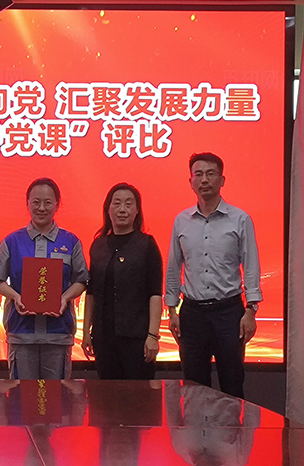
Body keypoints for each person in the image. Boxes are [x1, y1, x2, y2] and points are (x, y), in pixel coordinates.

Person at [165, 152, 261, 398]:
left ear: (222, 180)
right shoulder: (181, 221)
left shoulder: (240, 219)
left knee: (232, 383)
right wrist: (172, 310)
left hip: (228, 313)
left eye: (210, 174)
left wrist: (251, 310)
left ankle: (232, 426)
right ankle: (197, 426)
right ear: (191, 182)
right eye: (198, 174)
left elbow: (250, 265)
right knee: (194, 387)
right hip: (192, 314)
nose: (204, 180)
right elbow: (174, 267)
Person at [0, 177, 88, 380]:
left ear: (57, 205)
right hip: (21, 332)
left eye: (47, 202)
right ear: (27, 203)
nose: (41, 208)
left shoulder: (71, 241)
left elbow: (81, 280)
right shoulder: (12, 241)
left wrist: (64, 298)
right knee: (21, 394)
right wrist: (16, 297)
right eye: (36, 202)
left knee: (56, 395)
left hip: (58, 333)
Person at [81, 183, 163, 379]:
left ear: (137, 210)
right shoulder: (98, 245)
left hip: (137, 338)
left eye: (128, 204)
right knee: (107, 394)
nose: (122, 209)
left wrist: (152, 336)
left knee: (139, 394)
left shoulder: (147, 245)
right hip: (103, 338)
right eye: (116, 203)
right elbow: (91, 293)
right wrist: (86, 332)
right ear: (108, 209)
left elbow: (154, 293)